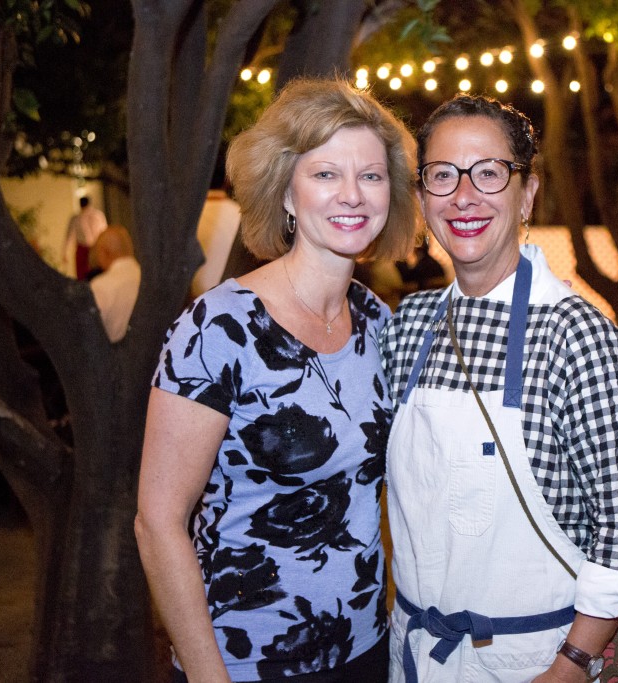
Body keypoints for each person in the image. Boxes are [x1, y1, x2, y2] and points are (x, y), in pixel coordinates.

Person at [135, 78, 417, 683]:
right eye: (325, 174)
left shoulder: (379, 323)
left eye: (370, 176)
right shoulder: (216, 328)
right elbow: (158, 522)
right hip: (244, 659)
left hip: (364, 646)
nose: (352, 194)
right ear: (286, 192)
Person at [380, 95, 618, 682]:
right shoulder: (407, 327)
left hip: (533, 658)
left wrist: (573, 664)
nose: (463, 195)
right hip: (416, 653)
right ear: (423, 196)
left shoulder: (575, 335)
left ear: (527, 193)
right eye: (442, 175)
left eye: (488, 173)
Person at [191, 173, 243, 299]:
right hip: (234, 299)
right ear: (227, 181)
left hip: (195, 302)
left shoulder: (191, 220)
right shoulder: (241, 216)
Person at [88, 225, 141, 342]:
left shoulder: (99, 286)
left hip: (115, 356)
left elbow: (89, 331)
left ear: (104, 252)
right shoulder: (146, 278)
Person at [64, 195, 108, 279]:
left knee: (90, 275)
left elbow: (69, 236)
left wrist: (65, 253)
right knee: (94, 275)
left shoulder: (77, 218)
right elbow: (105, 232)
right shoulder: (98, 215)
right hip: (90, 248)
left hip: (93, 248)